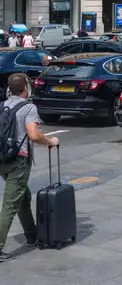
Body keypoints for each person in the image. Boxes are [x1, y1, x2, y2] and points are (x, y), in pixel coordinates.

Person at [0, 73, 60, 261]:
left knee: (22, 197)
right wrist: (50, 141)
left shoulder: (2, 105)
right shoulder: (28, 108)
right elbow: (33, 135)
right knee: (10, 204)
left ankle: (32, 235)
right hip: (19, 160)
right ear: (26, 88)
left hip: (3, 160)